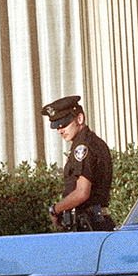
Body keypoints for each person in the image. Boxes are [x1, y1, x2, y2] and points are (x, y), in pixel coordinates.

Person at [41, 95, 115, 232]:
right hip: (94, 222)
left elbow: (82, 193)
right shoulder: (94, 142)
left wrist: (55, 209)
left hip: (88, 224)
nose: (60, 130)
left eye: (64, 124)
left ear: (79, 119)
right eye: (57, 126)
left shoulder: (83, 147)